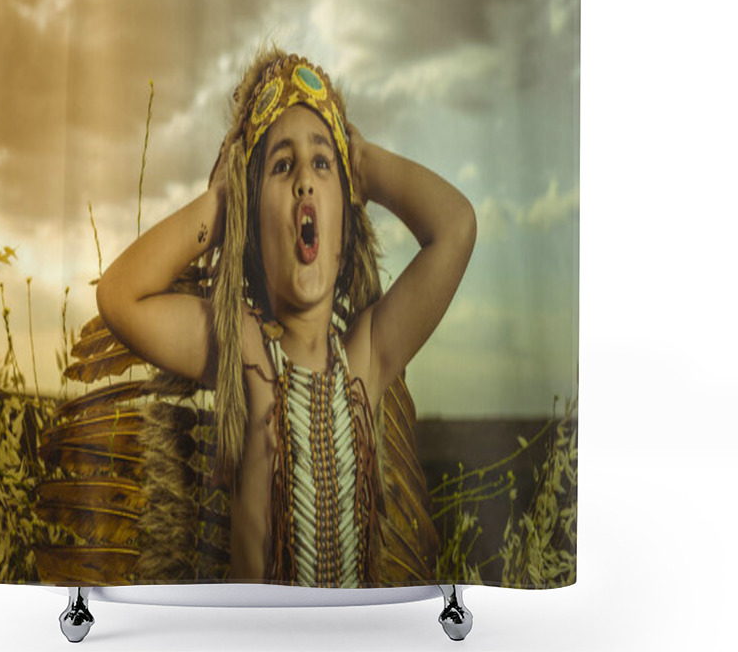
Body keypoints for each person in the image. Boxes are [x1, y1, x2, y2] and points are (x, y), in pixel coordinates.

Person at [96, 44, 477, 587]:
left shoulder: (368, 355)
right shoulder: (242, 347)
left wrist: (363, 166)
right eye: (281, 166)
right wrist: (225, 204)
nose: (304, 179)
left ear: (345, 223)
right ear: (253, 229)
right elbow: (118, 296)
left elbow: (456, 226)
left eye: (323, 163)